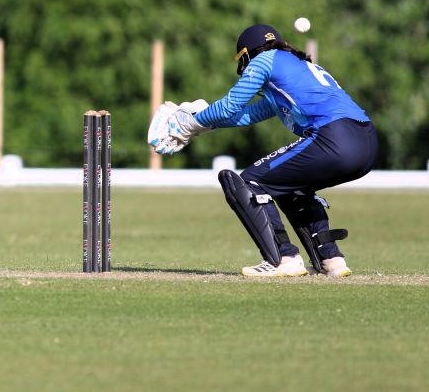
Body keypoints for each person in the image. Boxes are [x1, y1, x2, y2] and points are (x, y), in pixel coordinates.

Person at [148, 24, 378, 277]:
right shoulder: (293, 65)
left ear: (246, 55)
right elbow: (246, 115)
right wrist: (201, 121)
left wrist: (187, 124)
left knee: (249, 182)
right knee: (290, 187)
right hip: (366, 142)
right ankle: (331, 259)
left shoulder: (264, 60)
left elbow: (229, 106)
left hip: (334, 137)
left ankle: (284, 259)